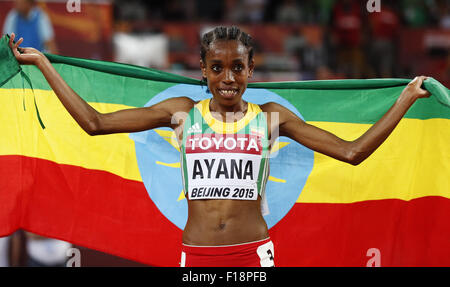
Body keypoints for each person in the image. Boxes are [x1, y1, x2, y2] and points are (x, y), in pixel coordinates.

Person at [8, 26, 431, 267]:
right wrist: (45, 65)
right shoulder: (180, 112)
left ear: (251, 70)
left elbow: (352, 152)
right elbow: (94, 123)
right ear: (203, 71)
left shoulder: (271, 118)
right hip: (196, 255)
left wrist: (405, 100)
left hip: (254, 256)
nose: (227, 78)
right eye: (217, 68)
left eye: (237, 68)